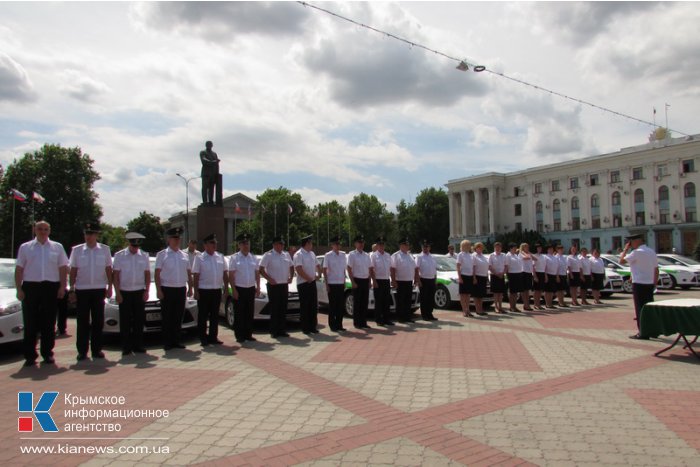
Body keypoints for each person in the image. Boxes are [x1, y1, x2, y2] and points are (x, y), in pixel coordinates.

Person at [15, 220, 68, 366]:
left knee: (49, 322)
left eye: (45, 229)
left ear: (49, 231)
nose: (43, 232)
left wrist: (62, 287)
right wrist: (19, 289)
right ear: (35, 230)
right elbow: (19, 269)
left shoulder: (57, 247)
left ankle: (47, 354)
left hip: (50, 287)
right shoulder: (25, 247)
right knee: (30, 322)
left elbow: (63, 268)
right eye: (40, 229)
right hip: (30, 287)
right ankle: (30, 356)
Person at [69, 222, 113, 361]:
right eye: (86, 233)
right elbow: (73, 270)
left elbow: (108, 269)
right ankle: (82, 351)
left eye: (91, 234)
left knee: (98, 321)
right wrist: (72, 289)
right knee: (82, 322)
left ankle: (97, 349)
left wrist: (110, 286)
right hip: (82, 289)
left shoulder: (104, 250)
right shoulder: (77, 250)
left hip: (99, 289)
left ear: (96, 235)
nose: (88, 236)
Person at [112, 232, 150, 356]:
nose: (135, 248)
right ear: (129, 244)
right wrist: (117, 293)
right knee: (125, 321)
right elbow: (116, 276)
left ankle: (138, 345)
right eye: (133, 246)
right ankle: (126, 347)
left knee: (139, 320)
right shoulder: (120, 255)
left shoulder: (144, 255)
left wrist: (147, 290)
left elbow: (147, 274)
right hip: (125, 292)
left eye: (137, 246)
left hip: (139, 291)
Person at [155, 227, 193, 350]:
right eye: (174, 238)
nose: (177, 240)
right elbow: (157, 273)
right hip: (167, 289)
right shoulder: (162, 255)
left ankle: (176, 340)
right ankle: (167, 342)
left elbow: (188, 272)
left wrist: (190, 287)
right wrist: (159, 290)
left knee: (178, 317)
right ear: (168, 239)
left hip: (181, 288)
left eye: (178, 238)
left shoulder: (184, 255)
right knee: (167, 317)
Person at [619, 233, 658, 340]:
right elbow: (656, 269)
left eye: (630, 242)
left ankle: (643, 333)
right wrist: (654, 283)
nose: (629, 244)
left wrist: (625, 250)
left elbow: (621, 261)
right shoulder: (651, 251)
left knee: (640, 309)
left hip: (639, 284)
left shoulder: (636, 252)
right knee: (649, 308)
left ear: (636, 241)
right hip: (649, 284)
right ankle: (653, 331)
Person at [192, 233, 227, 346]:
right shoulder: (199, 258)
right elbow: (196, 275)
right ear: (205, 245)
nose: (214, 244)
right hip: (204, 290)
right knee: (203, 316)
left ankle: (213, 337)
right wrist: (196, 291)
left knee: (214, 315)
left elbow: (224, 274)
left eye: (215, 242)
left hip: (216, 290)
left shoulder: (220, 256)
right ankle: (203, 338)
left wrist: (226, 288)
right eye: (212, 242)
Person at [259, 236, 294, 338]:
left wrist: (291, 277)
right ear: (274, 245)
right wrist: (269, 279)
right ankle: (274, 331)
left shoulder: (286, 254)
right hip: (273, 285)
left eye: (283, 244)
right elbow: (261, 269)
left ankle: (282, 330)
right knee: (275, 309)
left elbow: (292, 267)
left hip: (283, 285)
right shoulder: (268, 255)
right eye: (280, 244)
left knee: (283, 308)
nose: (282, 246)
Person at [228, 233, 260, 343]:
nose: (246, 245)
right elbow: (231, 275)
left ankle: (248, 334)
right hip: (239, 288)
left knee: (249, 312)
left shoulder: (253, 258)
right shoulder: (234, 258)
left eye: (247, 243)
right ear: (239, 245)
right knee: (240, 313)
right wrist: (234, 290)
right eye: (244, 244)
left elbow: (257, 273)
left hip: (250, 288)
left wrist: (258, 287)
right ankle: (239, 335)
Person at [294, 234, 321, 335]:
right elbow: (298, 269)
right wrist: (308, 278)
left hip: (312, 282)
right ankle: (305, 328)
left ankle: (313, 327)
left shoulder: (312, 254)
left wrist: (319, 274)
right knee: (305, 306)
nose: (312, 245)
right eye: (310, 243)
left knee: (313, 305)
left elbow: (318, 265)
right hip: (303, 284)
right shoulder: (299, 254)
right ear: (306, 244)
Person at [323, 236, 347, 332]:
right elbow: (324, 270)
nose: (337, 246)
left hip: (340, 283)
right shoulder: (328, 255)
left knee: (340, 305)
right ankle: (332, 325)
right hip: (332, 283)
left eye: (338, 244)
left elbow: (344, 269)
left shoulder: (343, 255)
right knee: (333, 305)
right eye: (336, 244)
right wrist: (327, 284)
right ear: (332, 245)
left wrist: (344, 281)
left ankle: (339, 324)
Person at [347, 235, 371, 329]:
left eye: (362, 243)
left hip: (365, 280)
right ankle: (357, 323)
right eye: (359, 243)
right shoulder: (352, 255)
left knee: (364, 303)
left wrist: (369, 281)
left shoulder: (366, 255)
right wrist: (352, 282)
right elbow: (349, 268)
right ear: (355, 244)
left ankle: (363, 322)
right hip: (357, 280)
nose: (361, 244)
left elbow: (369, 269)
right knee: (357, 303)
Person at [391, 237, 417, 323]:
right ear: (401, 245)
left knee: (408, 300)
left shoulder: (410, 255)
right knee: (400, 300)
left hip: (409, 281)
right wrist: (394, 280)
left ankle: (407, 317)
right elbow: (393, 269)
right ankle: (400, 318)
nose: (407, 246)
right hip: (400, 281)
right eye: (405, 245)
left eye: (407, 245)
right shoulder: (396, 255)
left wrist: (415, 279)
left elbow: (414, 268)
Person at [370, 236, 394, 326]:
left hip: (386, 280)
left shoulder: (388, 255)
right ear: (377, 246)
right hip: (378, 280)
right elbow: (371, 269)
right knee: (379, 301)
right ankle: (379, 320)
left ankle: (386, 319)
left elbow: (390, 268)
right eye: (380, 244)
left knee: (386, 301)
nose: (381, 246)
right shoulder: (373, 255)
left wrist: (392, 279)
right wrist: (374, 281)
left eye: (383, 244)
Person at [416, 239, 438, 321]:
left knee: (430, 298)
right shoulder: (419, 256)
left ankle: (430, 314)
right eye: (424, 246)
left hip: (431, 279)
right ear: (422, 247)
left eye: (427, 246)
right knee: (424, 298)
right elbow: (416, 269)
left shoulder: (432, 257)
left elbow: (434, 269)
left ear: (429, 247)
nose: (425, 248)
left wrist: (435, 279)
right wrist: (418, 280)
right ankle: (424, 315)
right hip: (423, 280)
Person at [456, 239, 474, 318]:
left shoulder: (471, 255)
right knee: (463, 295)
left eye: (469, 245)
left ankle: (468, 309)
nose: (468, 246)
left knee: (468, 295)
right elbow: (458, 266)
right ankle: (464, 310)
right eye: (467, 245)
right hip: (463, 276)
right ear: (463, 246)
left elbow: (472, 267)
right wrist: (459, 277)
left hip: (469, 276)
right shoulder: (460, 254)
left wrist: (473, 277)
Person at [200, 140, 220, 205]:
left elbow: (217, 164)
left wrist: (217, 173)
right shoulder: (203, 152)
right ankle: (205, 201)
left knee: (211, 189)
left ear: (212, 145)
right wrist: (213, 162)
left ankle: (211, 201)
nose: (209, 146)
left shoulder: (214, 154)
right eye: (208, 144)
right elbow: (204, 160)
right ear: (206, 145)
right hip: (206, 173)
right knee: (205, 188)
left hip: (213, 174)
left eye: (210, 144)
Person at [489, 242, 507, 313]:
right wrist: (496, 274)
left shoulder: (504, 255)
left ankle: (500, 307)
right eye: (496, 247)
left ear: (501, 248)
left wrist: (503, 273)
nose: (497, 248)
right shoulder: (491, 255)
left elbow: (506, 266)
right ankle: (496, 307)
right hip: (494, 275)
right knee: (496, 293)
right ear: (494, 248)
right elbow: (490, 266)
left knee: (501, 293)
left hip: (501, 275)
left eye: (499, 247)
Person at [472, 242, 489, 316]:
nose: (480, 249)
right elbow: (473, 267)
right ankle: (477, 309)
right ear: (476, 248)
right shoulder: (473, 256)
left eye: (481, 247)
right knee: (476, 295)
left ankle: (481, 309)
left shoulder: (483, 256)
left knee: (481, 295)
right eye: (479, 247)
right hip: (477, 276)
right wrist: (474, 277)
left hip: (483, 276)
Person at [505, 243, 523, 313]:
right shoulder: (508, 255)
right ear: (511, 248)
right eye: (514, 248)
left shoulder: (516, 255)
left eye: (516, 247)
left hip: (518, 274)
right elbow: (507, 266)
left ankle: (514, 306)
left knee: (516, 292)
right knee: (512, 292)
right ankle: (511, 307)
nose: (516, 249)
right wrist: (507, 276)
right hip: (511, 275)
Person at [519, 243, 535, 311]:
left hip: (529, 272)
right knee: (523, 290)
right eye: (526, 247)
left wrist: (529, 252)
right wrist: (523, 252)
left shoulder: (528, 253)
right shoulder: (520, 254)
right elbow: (527, 258)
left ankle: (527, 304)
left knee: (527, 290)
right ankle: (525, 304)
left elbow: (535, 258)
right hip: (523, 272)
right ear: (522, 248)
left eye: (528, 247)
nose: (527, 248)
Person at [532, 243, 547, 310]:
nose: (539, 249)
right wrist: (535, 276)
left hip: (542, 273)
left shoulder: (543, 256)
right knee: (536, 290)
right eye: (538, 248)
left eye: (540, 248)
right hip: (537, 273)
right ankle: (535, 304)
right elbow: (533, 267)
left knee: (540, 290)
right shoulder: (534, 256)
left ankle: (539, 304)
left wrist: (545, 275)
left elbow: (545, 267)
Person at [544, 244, 559, 309]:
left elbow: (557, 267)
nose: (551, 250)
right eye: (549, 249)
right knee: (547, 290)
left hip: (554, 274)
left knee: (552, 290)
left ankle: (550, 303)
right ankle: (547, 303)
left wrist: (557, 276)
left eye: (552, 249)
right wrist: (545, 275)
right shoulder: (545, 257)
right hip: (548, 274)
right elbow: (544, 267)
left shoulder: (555, 257)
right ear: (547, 250)